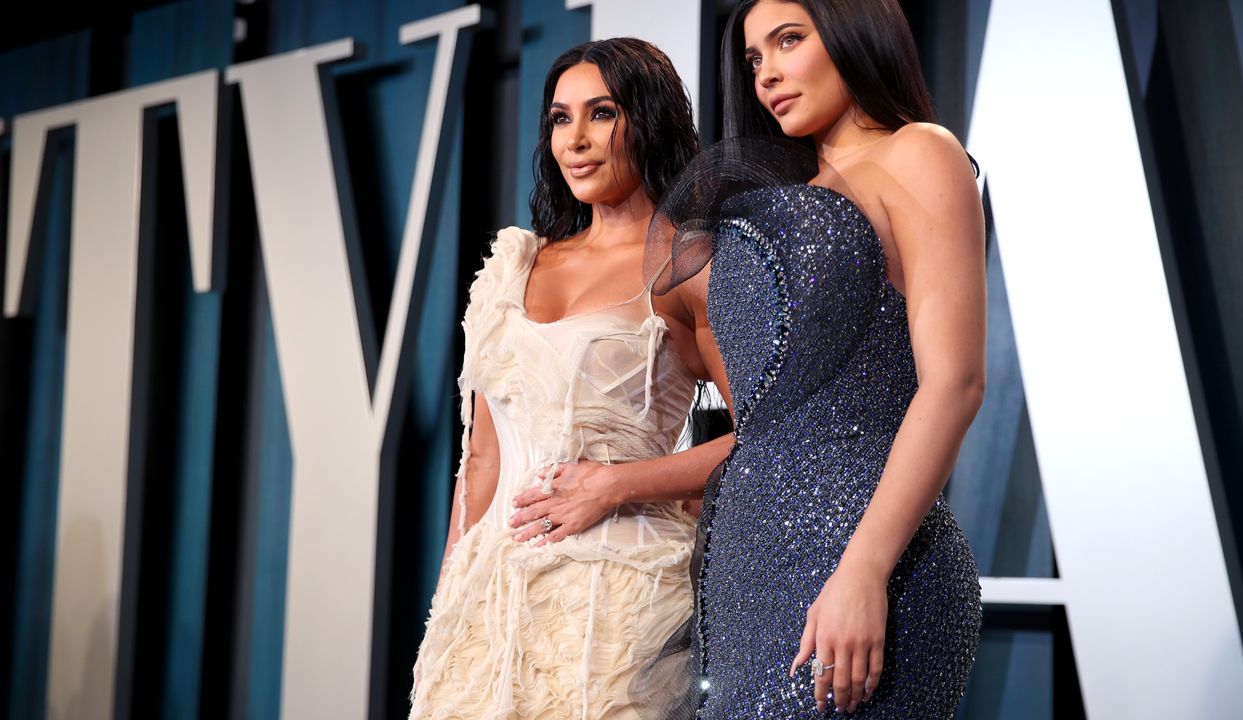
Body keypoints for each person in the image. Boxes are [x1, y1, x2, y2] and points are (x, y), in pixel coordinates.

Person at [662, 0, 987, 716]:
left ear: (851, 32)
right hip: (747, 570)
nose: (768, 74)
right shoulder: (774, 201)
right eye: (753, 60)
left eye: (788, 41)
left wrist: (865, 569)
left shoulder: (919, 152)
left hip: (868, 562)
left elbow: (956, 382)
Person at [407, 37, 732, 720]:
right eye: (560, 118)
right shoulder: (515, 265)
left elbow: (773, 440)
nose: (576, 140)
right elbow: (482, 463)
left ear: (649, 120)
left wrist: (617, 484)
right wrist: (447, 610)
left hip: (617, 608)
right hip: (489, 608)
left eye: (602, 114)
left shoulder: (691, 265)